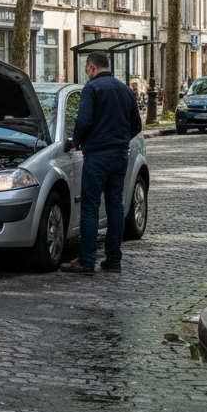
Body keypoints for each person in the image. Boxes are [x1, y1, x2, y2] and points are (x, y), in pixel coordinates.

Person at [65, 51, 142, 274]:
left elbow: (84, 120)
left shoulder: (92, 88)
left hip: (97, 154)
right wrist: (120, 139)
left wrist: (76, 141)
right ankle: (113, 260)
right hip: (119, 155)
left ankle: (86, 260)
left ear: (91, 67)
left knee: (90, 206)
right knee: (115, 206)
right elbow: (136, 125)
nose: (87, 73)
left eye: (87, 69)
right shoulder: (126, 90)